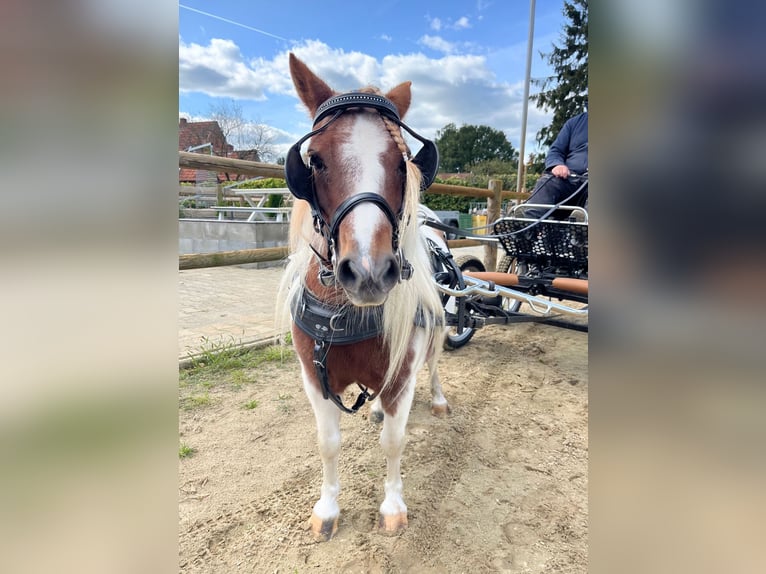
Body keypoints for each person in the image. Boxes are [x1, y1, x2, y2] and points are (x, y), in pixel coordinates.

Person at [524, 111, 588, 219]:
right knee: (548, 182)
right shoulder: (574, 123)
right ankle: (526, 223)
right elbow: (556, 151)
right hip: (571, 177)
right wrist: (557, 165)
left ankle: (584, 225)